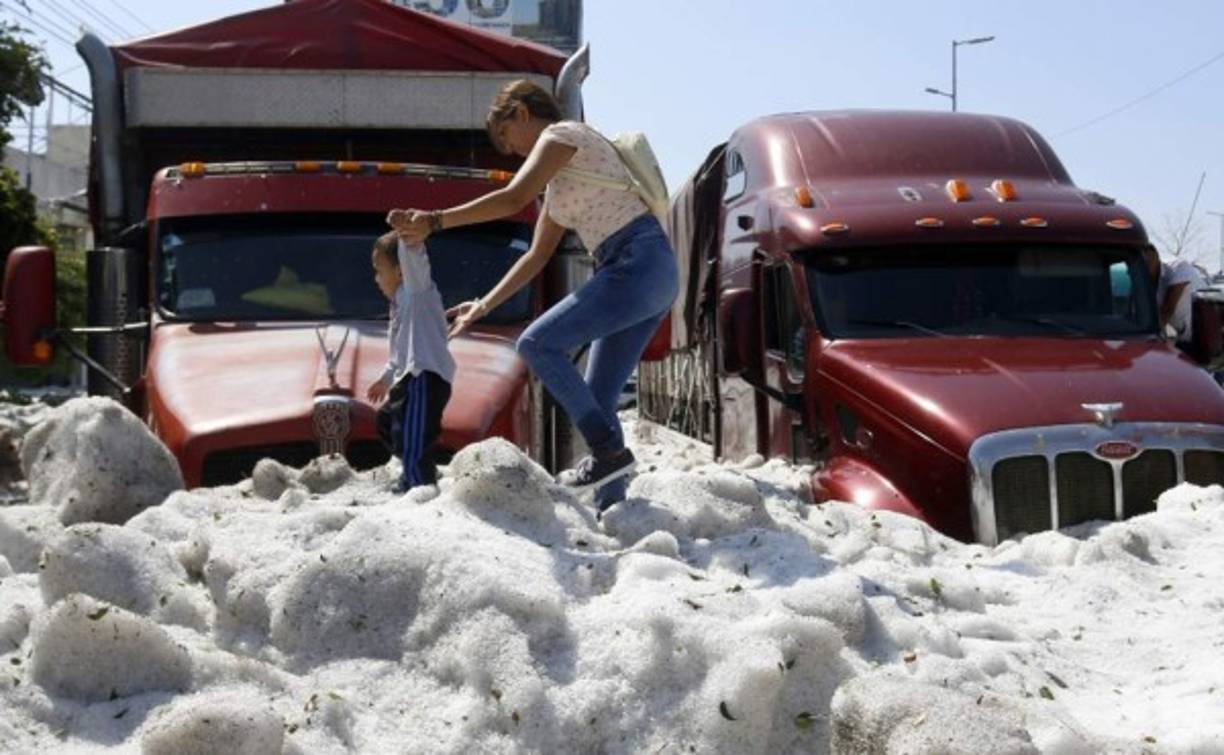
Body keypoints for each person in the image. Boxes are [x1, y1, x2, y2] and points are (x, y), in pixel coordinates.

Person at [388, 79, 678, 513]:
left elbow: (512, 198)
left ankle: (610, 454)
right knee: (599, 399)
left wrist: (434, 220)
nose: (514, 153)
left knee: (537, 343)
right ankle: (612, 508)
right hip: (648, 271)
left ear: (521, 112)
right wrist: (484, 304)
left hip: (636, 262)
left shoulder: (562, 135)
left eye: (507, 138)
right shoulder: (560, 190)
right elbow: (536, 257)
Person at [367, 231, 455, 493]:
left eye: (379, 270)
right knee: (387, 422)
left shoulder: (417, 292)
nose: (376, 279)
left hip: (425, 376)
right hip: (407, 377)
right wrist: (385, 379)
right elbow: (399, 353)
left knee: (414, 434)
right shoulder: (398, 304)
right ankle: (420, 468)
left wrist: (408, 236)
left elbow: (415, 260)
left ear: (401, 271)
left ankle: (417, 484)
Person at [1141, 243, 1204, 349]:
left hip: (1204, 336)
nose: (1143, 268)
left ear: (1155, 257)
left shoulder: (1178, 267)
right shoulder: (1146, 282)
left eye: (1146, 262)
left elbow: (1168, 308)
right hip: (1182, 338)